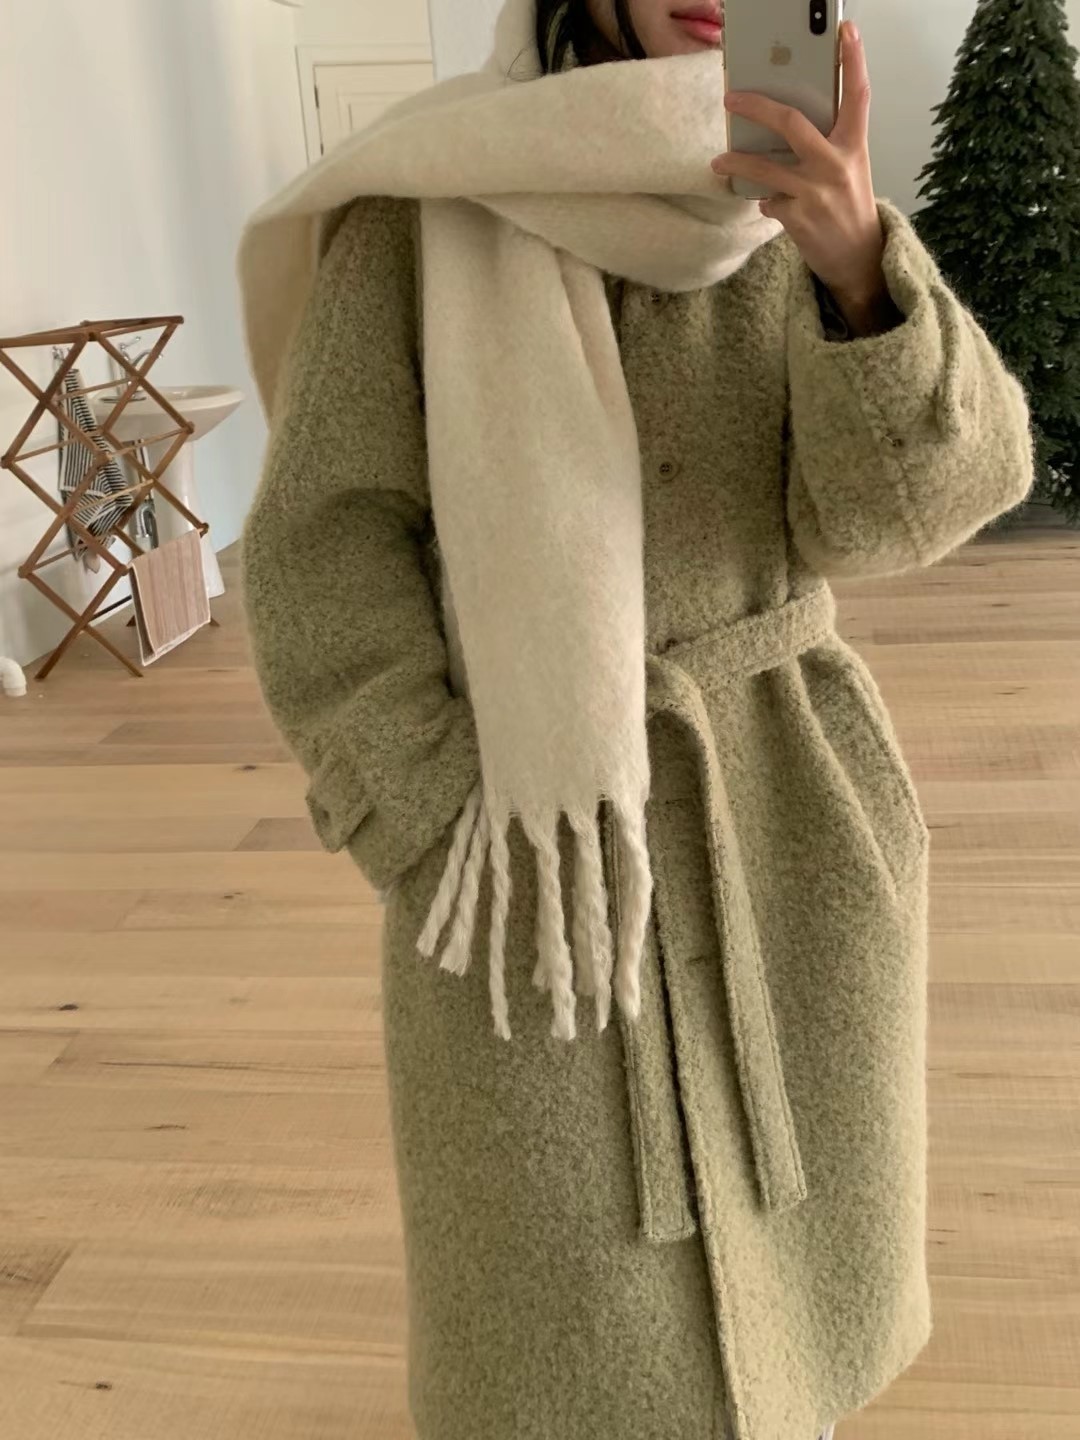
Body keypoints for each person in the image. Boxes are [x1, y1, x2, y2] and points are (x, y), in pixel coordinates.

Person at [238, 2, 1034, 1437]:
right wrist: (428, 811)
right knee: (569, 1325)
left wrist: (859, 268)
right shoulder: (426, 202)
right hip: (535, 864)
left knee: (810, 1297)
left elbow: (899, 519)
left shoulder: (789, 196)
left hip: (788, 820)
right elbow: (323, 548)